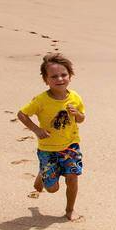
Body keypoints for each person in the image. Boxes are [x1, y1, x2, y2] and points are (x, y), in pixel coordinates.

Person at [17, 53, 86, 221]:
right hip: (47, 149)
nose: (60, 79)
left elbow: (82, 118)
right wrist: (36, 130)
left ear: (70, 76)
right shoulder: (41, 100)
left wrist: (77, 114)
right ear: (46, 79)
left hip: (71, 145)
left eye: (64, 75)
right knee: (53, 188)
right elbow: (22, 114)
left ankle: (70, 210)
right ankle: (42, 173)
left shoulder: (75, 97)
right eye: (54, 76)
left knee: (72, 177)